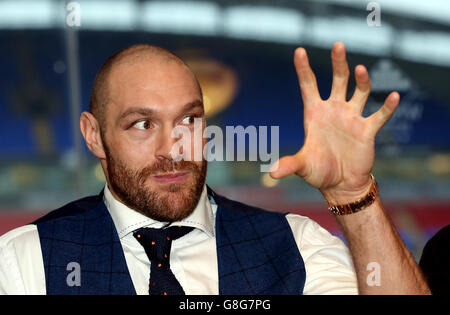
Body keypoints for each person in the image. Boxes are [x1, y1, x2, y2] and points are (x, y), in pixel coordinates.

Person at [0, 42, 430, 295]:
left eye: (189, 120)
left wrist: (352, 194)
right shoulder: (25, 262)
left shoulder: (296, 247)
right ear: (93, 135)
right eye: (143, 124)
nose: (174, 148)